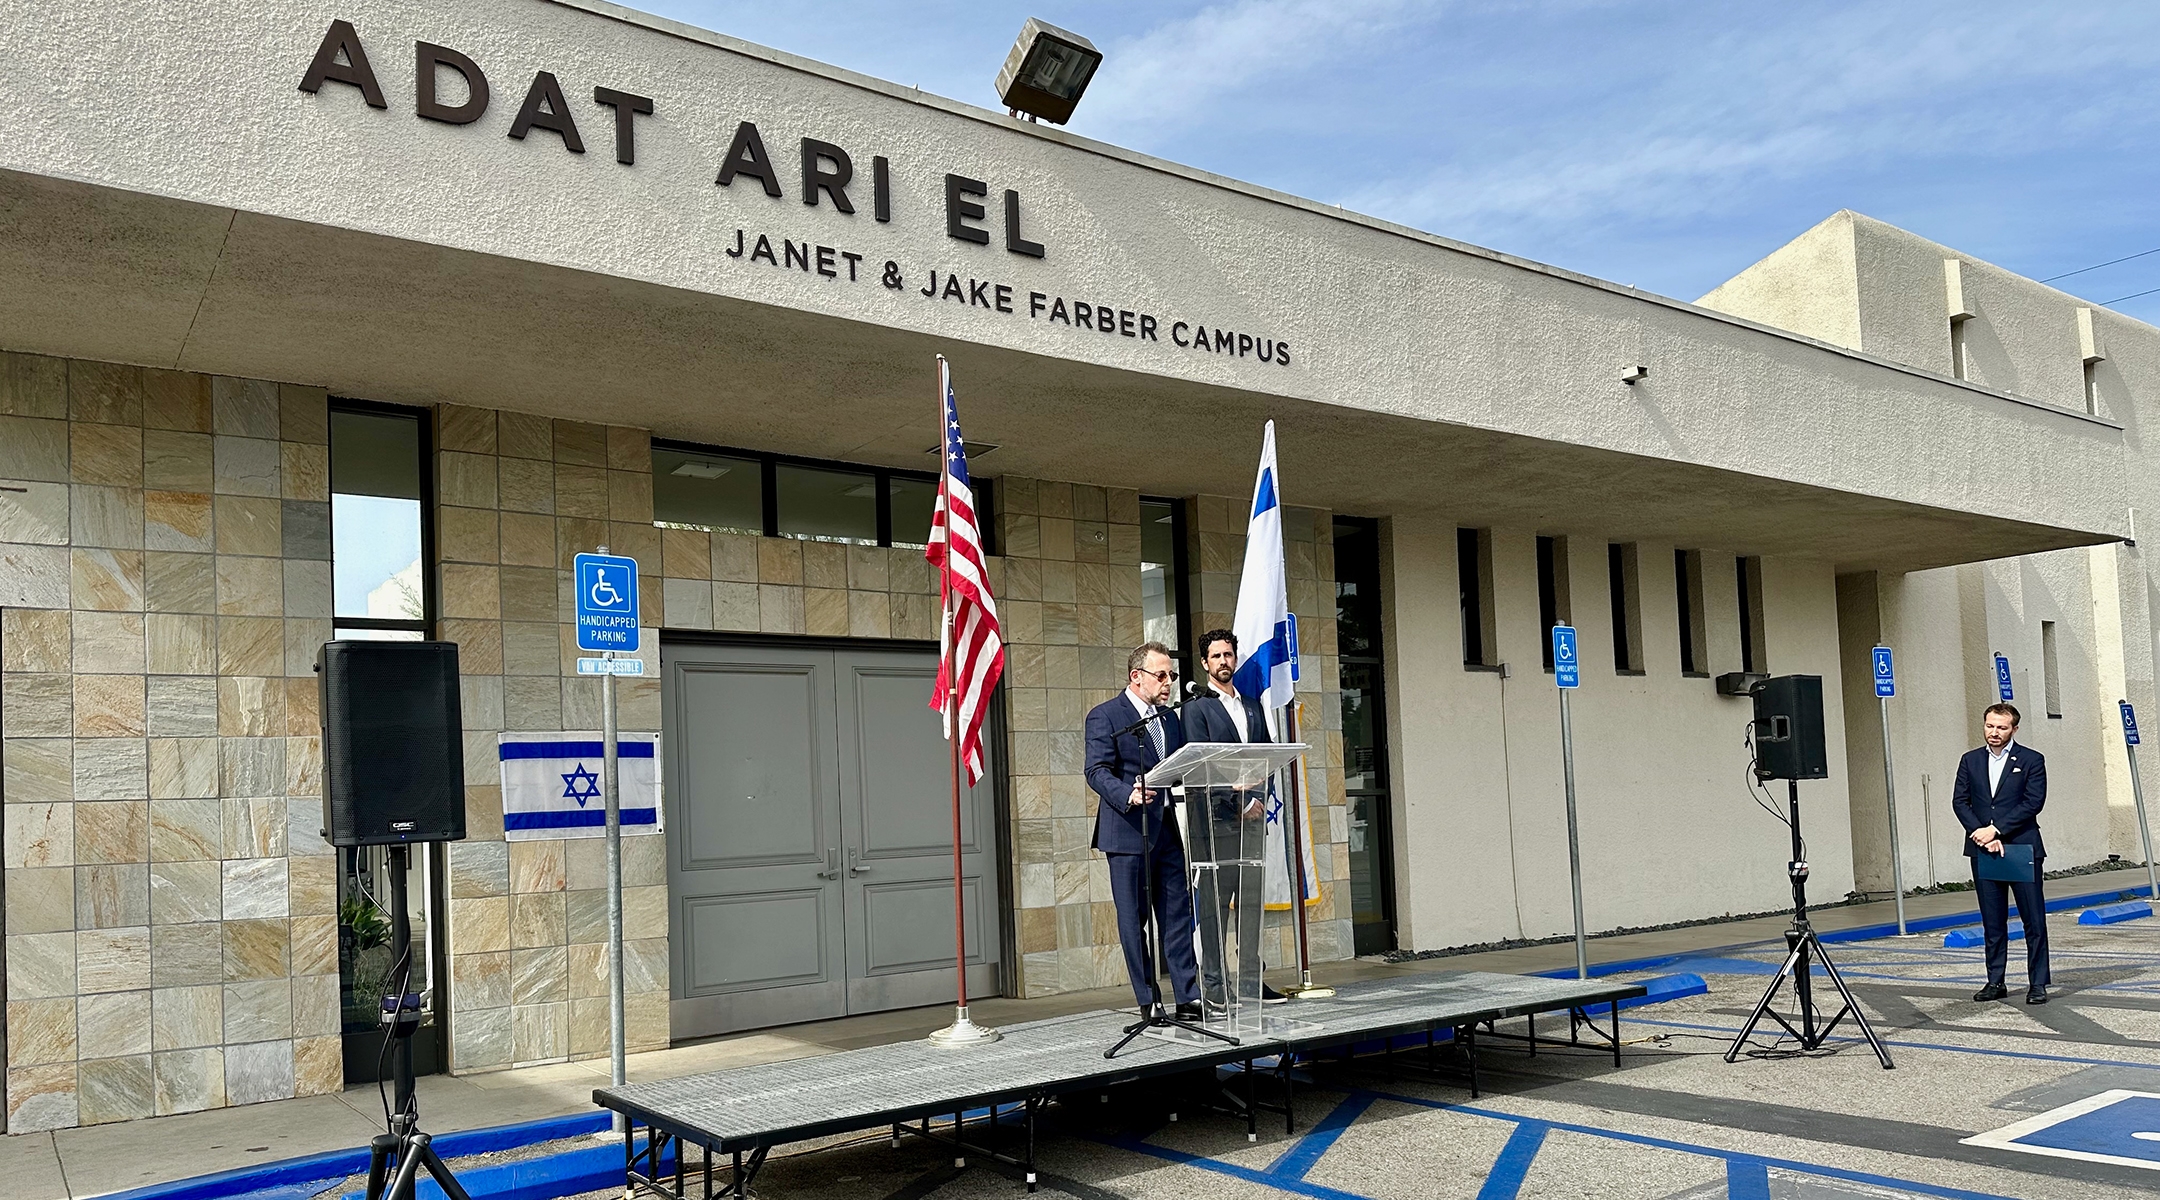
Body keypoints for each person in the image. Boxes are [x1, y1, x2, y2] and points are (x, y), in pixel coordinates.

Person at [1083, 642, 1201, 1018]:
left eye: (1172, 676)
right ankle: (1149, 1000)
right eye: (1161, 675)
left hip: (1165, 830)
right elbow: (1096, 770)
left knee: (1177, 915)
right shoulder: (1106, 716)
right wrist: (1128, 793)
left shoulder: (1169, 718)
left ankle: (1188, 996)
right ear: (1137, 676)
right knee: (1135, 921)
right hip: (1126, 831)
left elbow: (1181, 765)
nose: (1168, 683)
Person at [1181, 629, 1288, 1009]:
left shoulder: (1254, 707)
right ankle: (1214, 986)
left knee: (1249, 904)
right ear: (1205, 663)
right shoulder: (1196, 709)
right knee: (1213, 907)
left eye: (1228, 654)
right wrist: (1238, 802)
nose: (1224, 661)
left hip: (1253, 822)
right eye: (1216, 656)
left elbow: (1268, 757)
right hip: (1215, 824)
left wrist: (1256, 800)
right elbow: (1201, 763)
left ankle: (1250, 982)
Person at [1951, 703, 2052, 1004]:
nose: (1994, 733)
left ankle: (2037, 983)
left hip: (2020, 848)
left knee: (2032, 920)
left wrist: (1997, 830)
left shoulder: (2032, 760)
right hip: (1984, 850)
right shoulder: (1970, 760)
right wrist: (1982, 835)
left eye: (2002, 727)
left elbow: (2033, 803)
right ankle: (1995, 981)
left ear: (2014, 729)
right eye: (1990, 726)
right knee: (1992, 921)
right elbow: (1960, 802)